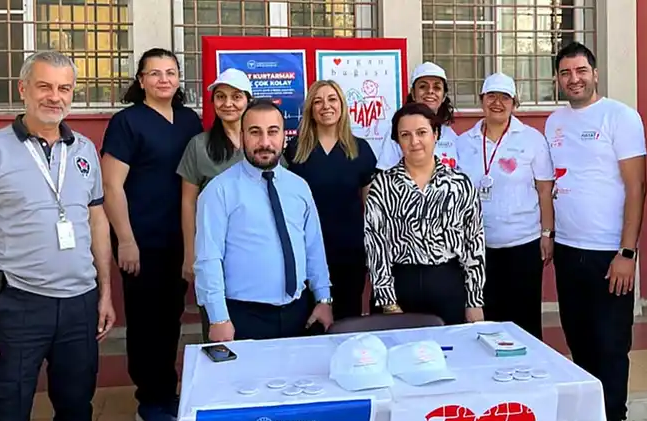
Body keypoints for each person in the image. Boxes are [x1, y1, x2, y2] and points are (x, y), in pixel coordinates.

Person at [0, 51, 118, 421]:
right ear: (23, 90)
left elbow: (97, 219)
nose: (54, 97)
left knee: (77, 414)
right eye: (44, 87)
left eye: (64, 89)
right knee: (6, 420)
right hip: (15, 306)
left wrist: (105, 293)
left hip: (79, 305)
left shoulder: (83, 149)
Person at [544, 42, 647, 421]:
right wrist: (548, 233)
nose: (574, 79)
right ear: (557, 79)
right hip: (569, 252)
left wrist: (627, 252)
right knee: (579, 343)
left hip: (610, 255)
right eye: (566, 73)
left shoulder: (620, 117)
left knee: (610, 345)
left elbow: (636, 187)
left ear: (596, 73)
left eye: (581, 70)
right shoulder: (554, 121)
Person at [101, 48, 203, 421]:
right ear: (140, 80)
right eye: (154, 73)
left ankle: (168, 391)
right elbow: (111, 186)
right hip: (141, 240)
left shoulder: (189, 121)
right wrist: (125, 240)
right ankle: (149, 399)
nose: (164, 79)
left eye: (171, 72)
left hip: (178, 237)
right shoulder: (127, 122)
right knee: (146, 323)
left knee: (170, 319)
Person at [194, 99, 334, 341]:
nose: (265, 142)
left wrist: (323, 299)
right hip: (242, 316)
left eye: (273, 132)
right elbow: (208, 258)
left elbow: (314, 248)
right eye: (255, 132)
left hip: (298, 314)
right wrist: (218, 318)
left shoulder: (299, 187)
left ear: (284, 136)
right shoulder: (219, 190)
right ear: (242, 136)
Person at [364, 102, 485, 325]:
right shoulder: (382, 185)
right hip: (399, 285)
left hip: (447, 284)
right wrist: (388, 302)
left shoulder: (460, 184)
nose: (414, 141)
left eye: (422, 133)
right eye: (405, 135)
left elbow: (474, 244)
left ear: (435, 134)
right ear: (397, 140)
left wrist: (474, 301)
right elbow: (375, 245)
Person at [457, 73, 554, 339]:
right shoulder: (463, 142)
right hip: (478, 247)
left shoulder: (532, 139)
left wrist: (547, 234)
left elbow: (545, 190)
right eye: (491, 96)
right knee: (485, 321)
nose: (497, 103)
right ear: (481, 101)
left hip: (523, 243)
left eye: (505, 97)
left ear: (515, 103)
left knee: (524, 320)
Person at [284, 80, 377, 320]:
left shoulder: (360, 149)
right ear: (310, 110)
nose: (326, 106)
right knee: (307, 321)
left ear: (342, 106)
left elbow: (371, 207)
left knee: (347, 318)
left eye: (332, 99)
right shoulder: (295, 150)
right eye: (318, 101)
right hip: (306, 252)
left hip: (350, 252)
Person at [178, 68, 253, 341]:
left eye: (236, 96)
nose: (228, 103)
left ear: (248, 100)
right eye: (220, 97)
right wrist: (190, 254)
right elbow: (188, 203)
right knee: (218, 332)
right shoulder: (199, 146)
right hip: (212, 252)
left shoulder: (262, 143)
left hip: (253, 249)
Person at [376, 62, 460, 170]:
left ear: (443, 96)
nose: (430, 91)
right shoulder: (399, 131)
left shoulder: (451, 136)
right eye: (423, 86)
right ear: (413, 93)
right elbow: (384, 174)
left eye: (437, 88)